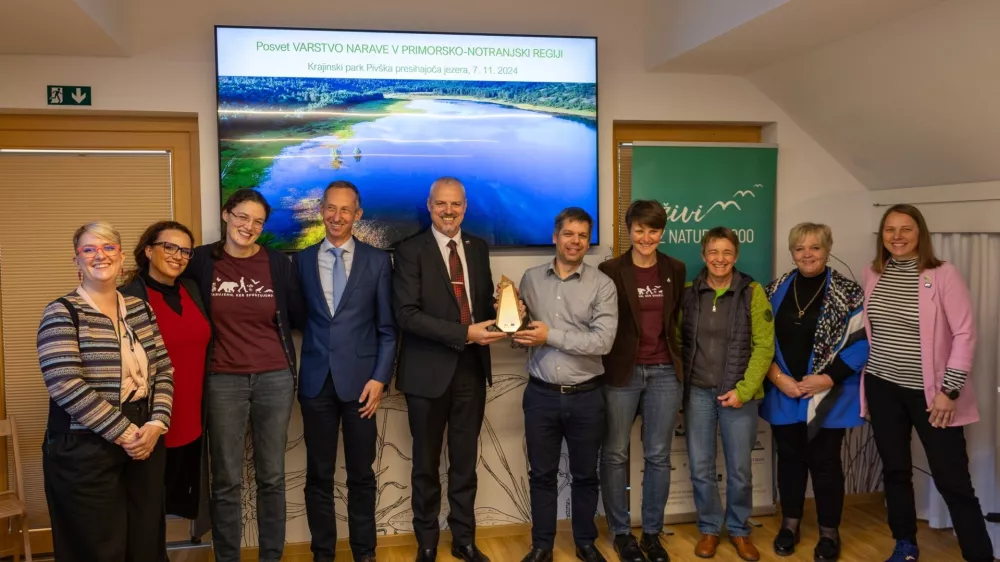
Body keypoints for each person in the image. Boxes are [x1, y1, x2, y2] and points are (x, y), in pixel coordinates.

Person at [861, 204, 994, 562]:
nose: (897, 237)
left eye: (906, 229)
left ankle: (978, 554)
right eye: (890, 229)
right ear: (882, 236)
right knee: (896, 470)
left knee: (952, 478)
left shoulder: (943, 274)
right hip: (882, 386)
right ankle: (905, 543)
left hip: (933, 394)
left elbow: (966, 334)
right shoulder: (874, 273)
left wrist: (949, 392)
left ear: (920, 233)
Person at [38, 222, 174, 562]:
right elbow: (65, 384)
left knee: (145, 544)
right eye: (89, 249)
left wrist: (156, 424)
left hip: (146, 438)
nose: (100, 255)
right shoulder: (62, 312)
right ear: (77, 261)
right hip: (85, 445)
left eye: (108, 247)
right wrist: (124, 432)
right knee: (98, 547)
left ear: (121, 256)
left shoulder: (139, 309)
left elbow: (164, 370)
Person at [183, 188, 305, 562]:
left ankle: (272, 556)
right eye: (241, 217)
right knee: (226, 481)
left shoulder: (278, 263)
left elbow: (297, 316)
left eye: (257, 221)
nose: (248, 226)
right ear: (225, 215)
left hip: (275, 378)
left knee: (271, 476)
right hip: (222, 380)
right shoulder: (201, 261)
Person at [393, 177, 507, 562]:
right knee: (425, 465)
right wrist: (465, 332)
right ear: (429, 206)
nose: (448, 211)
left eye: (455, 204)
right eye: (441, 204)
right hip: (426, 374)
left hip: (471, 371)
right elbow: (407, 315)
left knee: (464, 464)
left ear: (465, 206)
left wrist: (508, 313)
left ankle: (464, 541)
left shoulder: (478, 248)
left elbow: (482, 308)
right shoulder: (409, 251)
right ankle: (426, 541)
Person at [293, 181, 396, 562]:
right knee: (318, 474)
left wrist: (379, 378)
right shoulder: (301, 261)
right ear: (321, 210)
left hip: (362, 387)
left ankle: (364, 553)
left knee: (361, 476)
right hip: (316, 384)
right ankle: (323, 553)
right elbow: (301, 319)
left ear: (358, 214)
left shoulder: (377, 260)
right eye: (330, 208)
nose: (337, 217)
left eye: (345, 210)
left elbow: (387, 329)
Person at [761, 223, 869, 562]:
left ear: (827, 249)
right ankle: (790, 524)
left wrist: (827, 378)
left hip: (829, 395)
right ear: (791, 252)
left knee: (825, 464)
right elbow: (759, 341)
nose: (807, 254)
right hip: (784, 390)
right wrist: (780, 379)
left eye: (815, 247)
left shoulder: (848, 292)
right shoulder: (774, 289)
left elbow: (861, 342)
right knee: (790, 460)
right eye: (800, 248)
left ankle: (828, 533)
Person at [515, 207, 618, 562]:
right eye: (569, 234)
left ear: (587, 242)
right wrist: (513, 323)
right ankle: (542, 545)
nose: (575, 241)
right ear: (556, 236)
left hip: (587, 397)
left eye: (582, 236)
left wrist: (551, 335)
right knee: (541, 474)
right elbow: (522, 333)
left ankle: (585, 542)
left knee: (585, 475)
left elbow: (602, 342)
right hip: (540, 394)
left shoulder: (602, 285)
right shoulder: (529, 279)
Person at [680, 226, 774, 562]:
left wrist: (744, 390)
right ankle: (708, 528)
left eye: (727, 252)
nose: (720, 259)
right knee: (701, 467)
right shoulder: (689, 293)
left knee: (739, 470)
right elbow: (679, 341)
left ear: (736, 255)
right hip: (699, 394)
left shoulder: (752, 292)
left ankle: (738, 529)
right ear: (704, 255)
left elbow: (764, 347)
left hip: (739, 395)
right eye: (713, 252)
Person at [598, 200, 684, 562]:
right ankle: (621, 533)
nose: (646, 237)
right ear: (628, 230)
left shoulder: (675, 269)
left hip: (665, 371)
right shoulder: (610, 269)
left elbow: (677, 318)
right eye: (639, 229)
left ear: (662, 232)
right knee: (616, 453)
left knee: (658, 456)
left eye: (653, 230)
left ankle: (651, 533)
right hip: (623, 371)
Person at [121, 221, 212, 537]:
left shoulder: (192, 289)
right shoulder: (126, 298)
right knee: (143, 510)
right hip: (149, 422)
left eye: (185, 250)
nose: (178, 255)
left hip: (191, 420)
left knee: (172, 504)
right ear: (148, 250)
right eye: (169, 247)